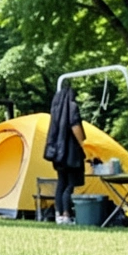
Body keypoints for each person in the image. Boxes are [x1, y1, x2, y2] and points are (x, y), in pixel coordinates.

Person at [43, 86, 87, 225]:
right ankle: (67, 214)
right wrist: (83, 144)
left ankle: (58, 214)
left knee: (61, 183)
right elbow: (75, 126)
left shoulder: (55, 110)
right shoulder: (72, 107)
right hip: (71, 152)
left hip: (57, 153)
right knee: (70, 184)